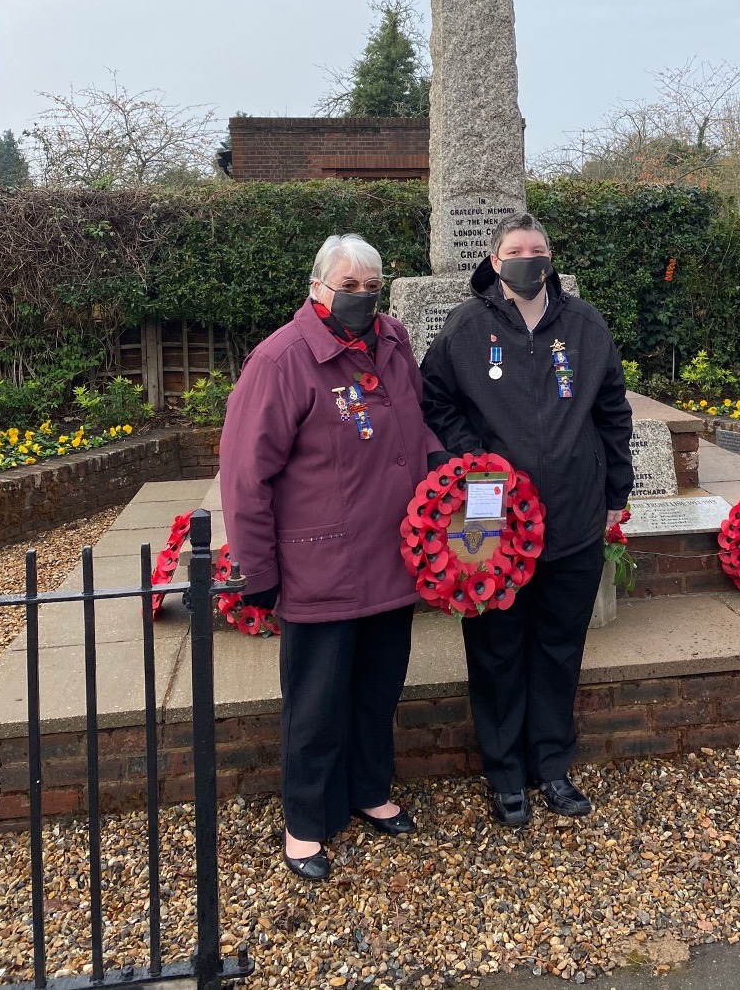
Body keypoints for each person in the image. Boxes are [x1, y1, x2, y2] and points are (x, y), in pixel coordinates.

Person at [220, 233, 445, 880]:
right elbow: (245, 474)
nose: (361, 298)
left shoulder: (393, 343)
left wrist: (442, 469)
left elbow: (415, 421)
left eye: (370, 287)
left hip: (393, 561)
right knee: (316, 704)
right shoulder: (281, 361)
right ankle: (307, 825)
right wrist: (257, 570)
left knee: (377, 691)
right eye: (348, 287)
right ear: (317, 286)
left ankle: (370, 790)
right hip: (322, 567)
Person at [421, 212, 633, 826]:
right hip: (494, 529)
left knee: (558, 649)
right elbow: (434, 400)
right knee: (496, 650)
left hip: (572, 517)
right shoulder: (466, 326)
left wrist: (615, 488)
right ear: (494, 259)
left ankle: (552, 765)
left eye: (537, 250)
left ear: (550, 257)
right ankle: (505, 772)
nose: (527, 259)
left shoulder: (584, 325)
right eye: (515, 250)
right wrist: (473, 462)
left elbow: (612, 410)